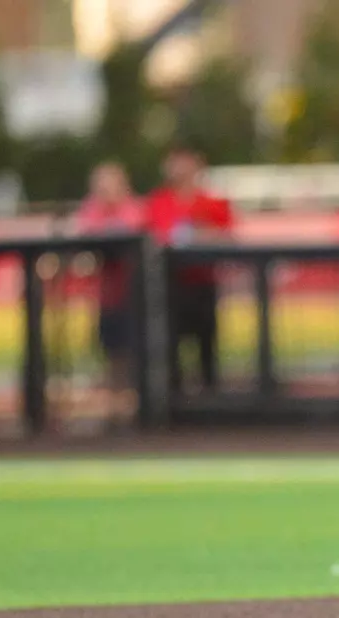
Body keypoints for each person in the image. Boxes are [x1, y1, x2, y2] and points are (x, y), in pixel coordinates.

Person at [146, 139, 234, 393]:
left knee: (207, 344)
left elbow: (227, 236)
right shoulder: (159, 201)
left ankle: (210, 394)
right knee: (170, 345)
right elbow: (153, 236)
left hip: (203, 282)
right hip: (168, 285)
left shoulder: (212, 202)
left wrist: (200, 235)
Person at [73, 161, 146, 422]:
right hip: (107, 298)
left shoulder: (133, 208)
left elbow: (133, 231)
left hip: (137, 297)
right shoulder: (92, 209)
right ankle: (115, 409)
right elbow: (84, 236)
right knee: (111, 352)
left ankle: (135, 407)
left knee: (135, 353)